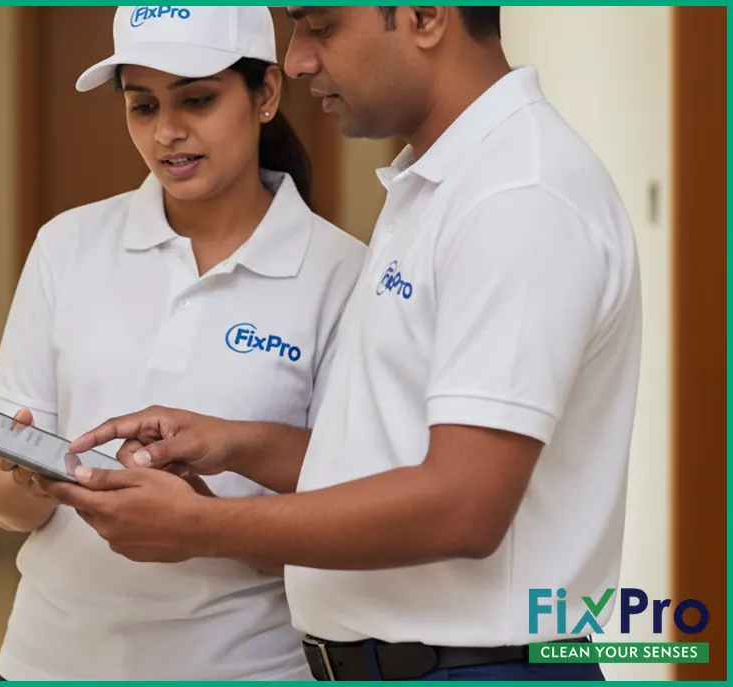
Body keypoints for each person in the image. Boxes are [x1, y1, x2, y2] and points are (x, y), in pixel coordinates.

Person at [44, 6, 642, 682]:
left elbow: (464, 503)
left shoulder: (518, 199)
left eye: (320, 26)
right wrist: (236, 443)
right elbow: (393, 453)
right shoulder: (436, 185)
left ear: (423, 17)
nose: (298, 60)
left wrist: (203, 529)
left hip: (480, 665)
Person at [0, 5, 366, 682]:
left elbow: (350, 522)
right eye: (142, 105)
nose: (167, 132)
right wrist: (33, 482)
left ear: (266, 93)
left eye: (198, 99)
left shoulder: (342, 275)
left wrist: (203, 524)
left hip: (246, 667)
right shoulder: (66, 247)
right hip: (49, 660)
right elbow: (1, 502)